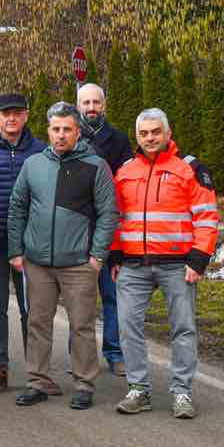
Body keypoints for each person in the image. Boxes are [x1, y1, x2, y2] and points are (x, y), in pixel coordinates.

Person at [109, 108, 219, 419]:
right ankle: (139, 389)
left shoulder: (190, 169)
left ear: (168, 133)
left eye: (155, 132)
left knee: (183, 328)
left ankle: (182, 392)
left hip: (177, 264)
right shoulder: (126, 171)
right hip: (132, 265)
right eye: (144, 133)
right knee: (127, 326)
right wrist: (115, 254)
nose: (150, 138)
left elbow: (207, 215)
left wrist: (199, 258)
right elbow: (116, 218)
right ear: (137, 137)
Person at [7, 103, 118, 410]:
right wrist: (15, 250)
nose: (60, 135)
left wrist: (96, 256)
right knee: (37, 323)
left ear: (77, 131)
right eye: (55, 129)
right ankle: (37, 380)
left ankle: (84, 383)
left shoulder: (96, 166)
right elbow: (17, 207)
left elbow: (109, 214)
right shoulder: (33, 165)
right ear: (48, 130)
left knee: (81, 325)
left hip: (79, 263)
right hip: (38, 262)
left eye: (67, 129)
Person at [0, 93, 46, 394]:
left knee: (31, 309)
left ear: (27, 115)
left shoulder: (40, 150)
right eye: (5, 113)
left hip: (29, 244)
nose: (11, 119)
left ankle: (37, 371)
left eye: (17, 113)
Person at [77, 82, 134, 376]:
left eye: (95, 102)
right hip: (79, 235)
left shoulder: (120, 140)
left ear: (104, 104)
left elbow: (126, 187)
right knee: (80, 300)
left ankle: (114, 352)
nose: (91, 108)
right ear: (78, 106)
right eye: (85, 103)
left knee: (113, 297)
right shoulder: (69, 138)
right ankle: (80, 357)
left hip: (111, 233)